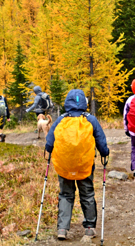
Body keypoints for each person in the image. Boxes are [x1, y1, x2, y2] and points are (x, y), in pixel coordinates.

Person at [45, 89, 110, 241]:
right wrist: (104, 152)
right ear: (84, 103)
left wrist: (49, 150)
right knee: (87, 193)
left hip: (64, 164)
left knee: (66, 194)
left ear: (67, 103)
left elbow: (49, 141)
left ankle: (62, 228)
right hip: (84, 164)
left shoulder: (60, 119)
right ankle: (89, 228)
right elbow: (101, 140)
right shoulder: (90, 119)